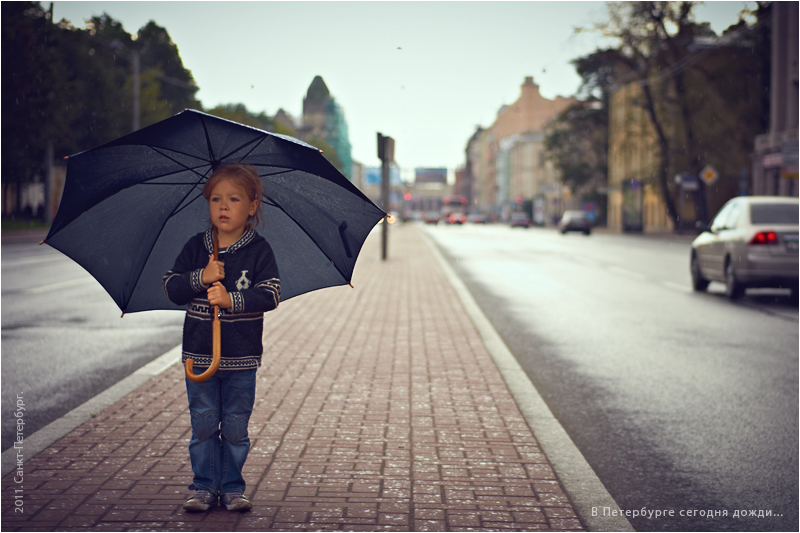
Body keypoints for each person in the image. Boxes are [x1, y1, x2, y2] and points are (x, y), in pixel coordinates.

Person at [163, 163, 281, 512]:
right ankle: (203, 487)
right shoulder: (196, 248)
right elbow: (171, 287)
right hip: (199, 353)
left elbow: (272, 293)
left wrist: (231, 300)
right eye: (216, 199)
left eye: (234, 199)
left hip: (241, 356)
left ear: (252, 205)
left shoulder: (259, 250)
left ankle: (231, 487)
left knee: (233, 426)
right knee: (202, 423)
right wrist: (202, 276)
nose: (224, 207)